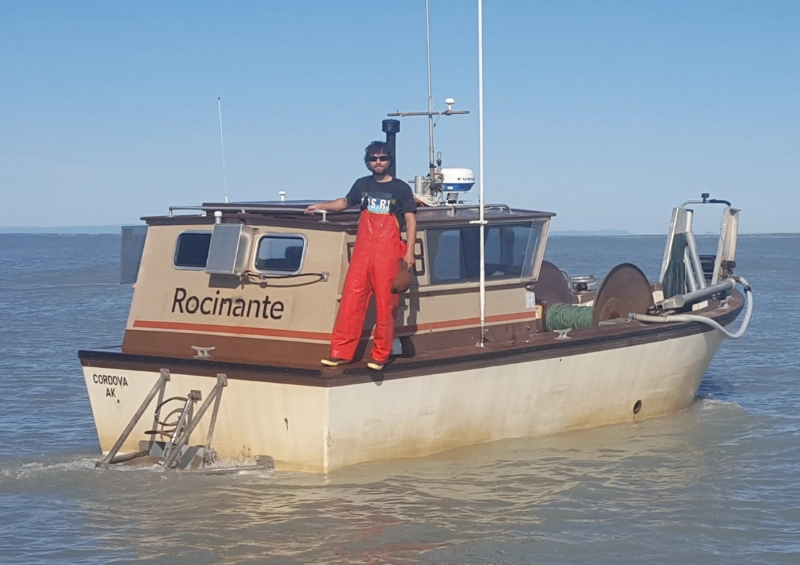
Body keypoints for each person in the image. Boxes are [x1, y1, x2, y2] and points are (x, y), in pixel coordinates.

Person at [305, 141, 417, 370]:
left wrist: (410, 253)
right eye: (374, 159)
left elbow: (410, 220)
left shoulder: (401, 188)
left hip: (388, 253)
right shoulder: (362, 184)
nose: (378, 162)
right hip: (362, 252)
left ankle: (380, 355)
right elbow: (344, 203)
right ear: (367, 162)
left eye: (383, 158)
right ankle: (340, 352)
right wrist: (318, 206)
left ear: (389, 161)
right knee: (351, 301)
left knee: (386, 306)